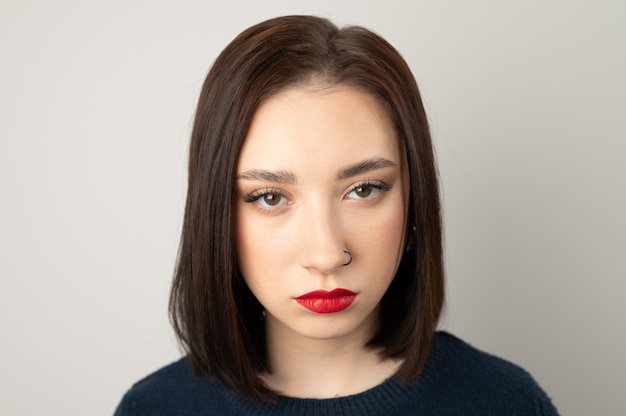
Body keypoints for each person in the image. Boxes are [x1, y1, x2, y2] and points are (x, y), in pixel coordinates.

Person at [114, 15, 558, 415]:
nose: (327, 255)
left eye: (364, 190)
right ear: (217, 218)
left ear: (414, 201)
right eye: (270, 197)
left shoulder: (508, 403)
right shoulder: (152, 409)